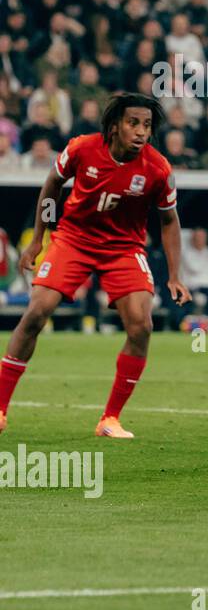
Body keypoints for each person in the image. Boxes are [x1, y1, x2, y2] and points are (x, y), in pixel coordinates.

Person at [0, 93, 192, 438]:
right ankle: (0, 408)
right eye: (133, 123)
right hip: (73, 239)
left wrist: (175, 275)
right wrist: (37, 240)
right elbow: (52, 186)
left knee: (141, 326)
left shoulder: (158, 168)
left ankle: (110, 419)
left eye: (147, 125)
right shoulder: (81, 148)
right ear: (115, 125)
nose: (141, 132)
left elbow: (169, 221)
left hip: (123, 248)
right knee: (36, 313)